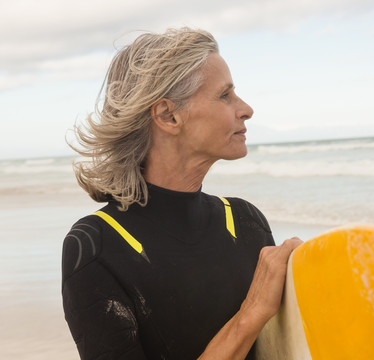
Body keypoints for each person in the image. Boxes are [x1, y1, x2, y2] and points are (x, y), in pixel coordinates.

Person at [62, 27, 302, 360]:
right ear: (168, 115)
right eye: (224, 95)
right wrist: (252, 311)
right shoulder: (98, 247)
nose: (246, 108)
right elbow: (256, 318)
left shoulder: (245, 221)